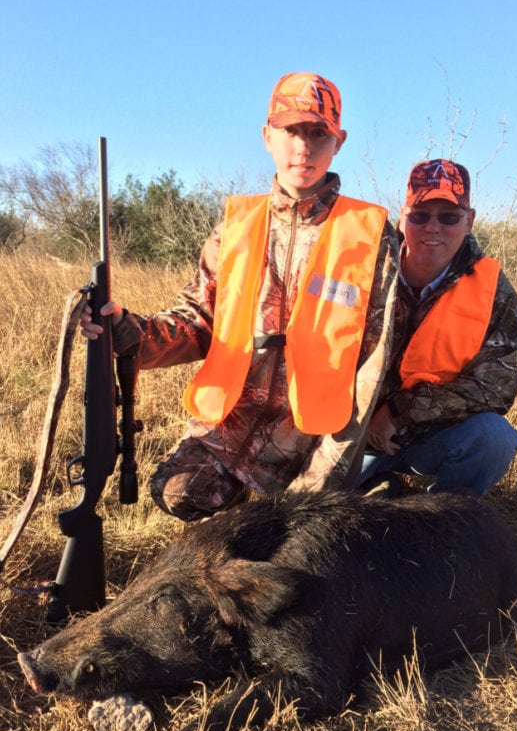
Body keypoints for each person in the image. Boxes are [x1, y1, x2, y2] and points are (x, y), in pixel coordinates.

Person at [81, 72, 398, 518]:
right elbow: (196, 322)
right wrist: (125, 331)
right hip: (230, 431)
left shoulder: (371, 236)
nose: (303, 147)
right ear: (268, 136)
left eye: (317, 133)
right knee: (177, 493)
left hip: (313, 441)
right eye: (291, 130)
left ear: (338, 141)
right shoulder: (234, 229)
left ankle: (358, 491)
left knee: (303, 533)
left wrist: (325, 473)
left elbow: (372, 367)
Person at [359, 158, 517, 497]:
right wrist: (363, 424)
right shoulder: (363, 271)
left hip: (429, 437)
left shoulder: (493, 290)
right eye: (420, 215)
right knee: (323, 514)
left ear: (469, 221)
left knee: (493, 437)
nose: (433, 227)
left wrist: (398, 413)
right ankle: (380, 490)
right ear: (403, 218)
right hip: (353, 436)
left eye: (448, 216)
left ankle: (446, 518)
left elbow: (494, 390)